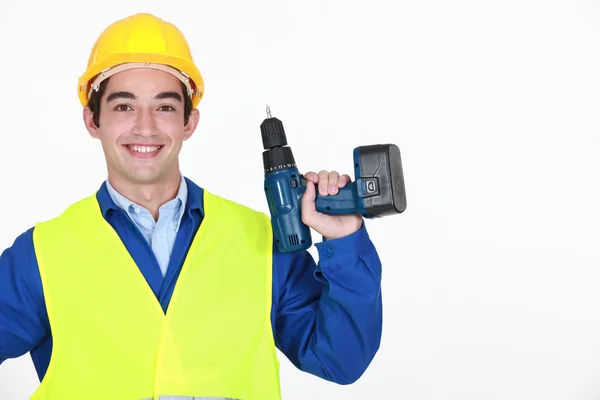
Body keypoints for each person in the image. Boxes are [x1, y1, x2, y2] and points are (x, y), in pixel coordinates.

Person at [0, 13, 383, 400]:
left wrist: (346, 241)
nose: (145, 127)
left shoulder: (263, 244)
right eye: (123, 107)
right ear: (92, 120)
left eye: (165, 107)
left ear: (190, 121)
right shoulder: (40, 255)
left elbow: (340, 359)